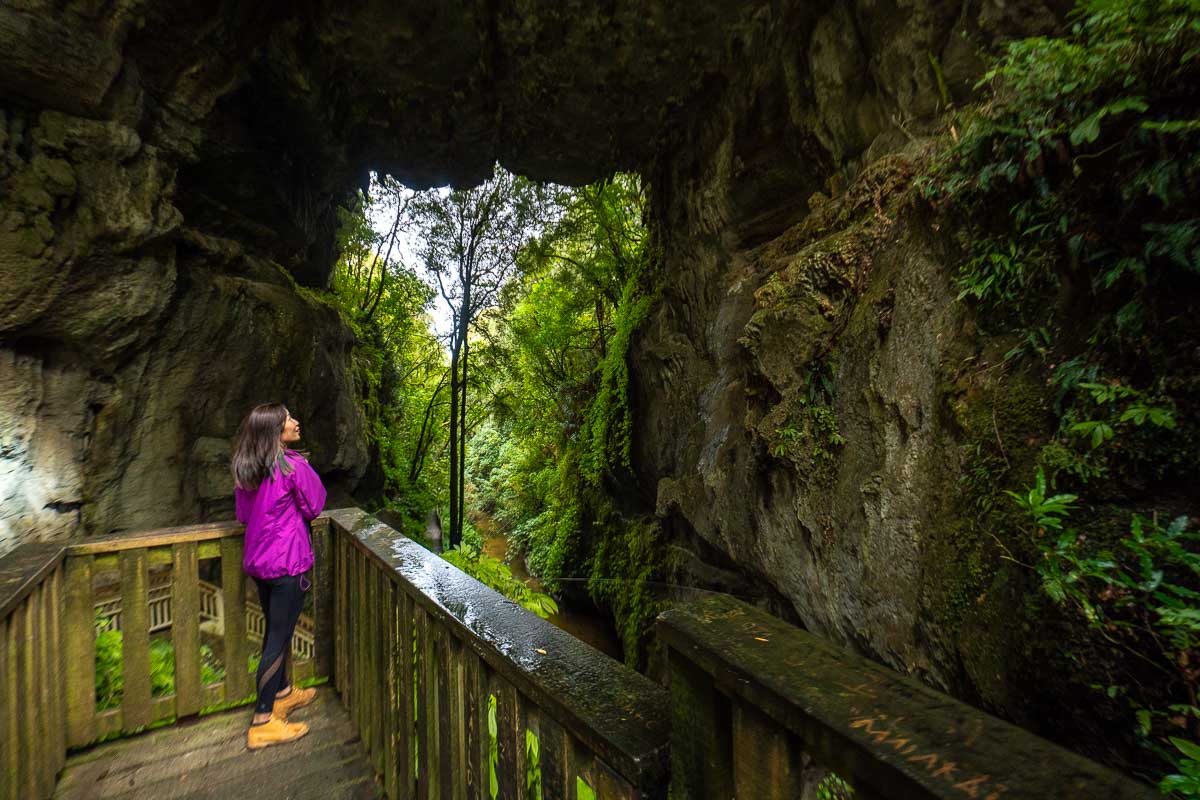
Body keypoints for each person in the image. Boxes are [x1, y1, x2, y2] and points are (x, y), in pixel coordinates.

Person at [231, 403, 327, 750]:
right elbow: (315, 505)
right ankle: (262, 721)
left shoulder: (247, 469)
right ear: (275, 430)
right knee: (277, 637)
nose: (296, 422)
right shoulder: (292, 465)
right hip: (287, 563)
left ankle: (283, 692)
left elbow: (244, 514)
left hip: (260, 562)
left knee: (277, 629)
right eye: (288, 419)